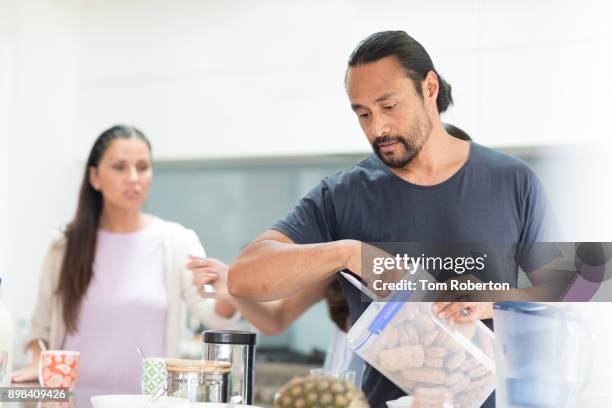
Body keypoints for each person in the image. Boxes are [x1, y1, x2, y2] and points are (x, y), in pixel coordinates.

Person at [227, 31, 559, 408]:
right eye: (363, 114)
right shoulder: (343, 194)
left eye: (389, 107)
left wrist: (496, 300)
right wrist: (350, 253)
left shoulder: (513, 179)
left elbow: (583, 285)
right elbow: (243, 277)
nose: (376, 129)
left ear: (429, 88)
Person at [12, 125, 241, 393]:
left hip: (147, 402)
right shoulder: (64, 245)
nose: (133, 178)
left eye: (142, 167)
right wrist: (39, 360)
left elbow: (214, 317)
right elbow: (38, 331)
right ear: (95, 177)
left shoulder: (176, 240)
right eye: (119, 167)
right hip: (72, 401)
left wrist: (232, 290)